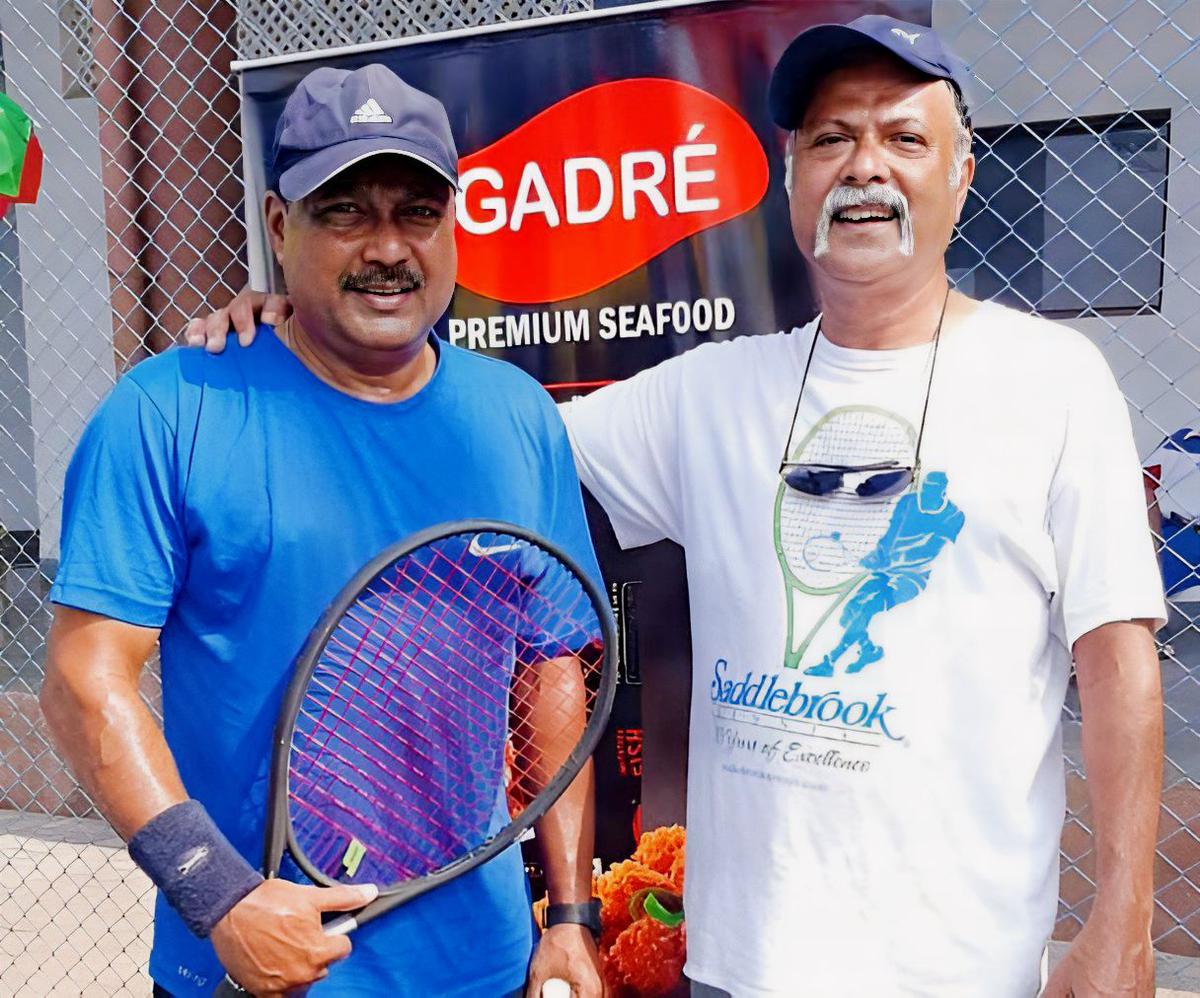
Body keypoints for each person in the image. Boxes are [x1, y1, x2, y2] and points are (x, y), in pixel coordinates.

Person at [192, 16, 1166, 998]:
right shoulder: (711, 392)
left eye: (902, 137)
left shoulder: (1054, 383)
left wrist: (1121, 919)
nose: (863, 165)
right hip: (737, 970)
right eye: (830, 139)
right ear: (793, 178)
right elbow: (485, 436)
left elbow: (1119, 663)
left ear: (960, 174)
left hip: (961, 970)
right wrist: (315, 335)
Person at [41, 64, 605, 998]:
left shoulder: (515, 418)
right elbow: (78, 679)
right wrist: (218, 899)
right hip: (252, 971)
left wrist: (573, 916)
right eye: (345, 212)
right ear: (275, 226)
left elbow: (549, 667)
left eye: (418, 212)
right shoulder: (168, 409)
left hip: (483, 962)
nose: (388, 246)